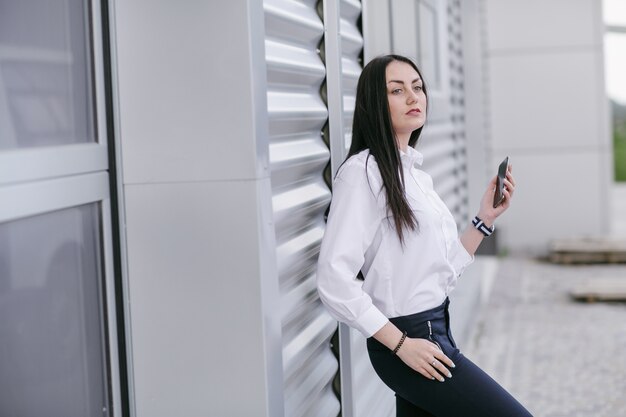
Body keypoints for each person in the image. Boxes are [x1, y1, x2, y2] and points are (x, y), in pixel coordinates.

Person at [316, 54, 532, 417]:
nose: (414, 97)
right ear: (374, 105)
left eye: (417, 87)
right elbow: (333, 279)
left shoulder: (415, 176)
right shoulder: (363, 173)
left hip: (434, 329)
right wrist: (401, 345)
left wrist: (484, 219)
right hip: (408, 340)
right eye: (397, 90)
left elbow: (438, 269)